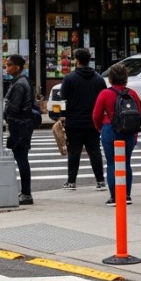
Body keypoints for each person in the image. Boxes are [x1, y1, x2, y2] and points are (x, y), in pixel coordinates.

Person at [93, 63, 141, 206]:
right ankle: (127, 195)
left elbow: (96, 115)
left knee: (111, 164)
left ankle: (114, 197)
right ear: (126, 78)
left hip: (109, 130)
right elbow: (138, 114)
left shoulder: (105, 94)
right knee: (126, 163)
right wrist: (135, 134)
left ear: (110, 78)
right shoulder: (132, 93)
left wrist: (100, 128)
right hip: (128, 132)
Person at [58, 48, 106, 191]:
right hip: (93, 121)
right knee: (95, 150)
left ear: (76, 60)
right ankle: (100, 181)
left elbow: (63, 100)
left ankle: (71, 182)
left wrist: (62, 115)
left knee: (74, 151)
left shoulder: (69, 78)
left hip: (74, 121)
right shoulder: (98, 78)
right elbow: (102, 98)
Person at [4, 54, 36, 206]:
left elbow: (14, 108)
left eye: (9, 65)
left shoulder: (19, 84)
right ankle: (25, 192)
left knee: (21, 159)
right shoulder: (20, 81)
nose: (6, 68)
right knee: (21, 157)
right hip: (22, 124)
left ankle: (26, 193)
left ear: (17, 67)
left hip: (20, 126)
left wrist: (6, 114)